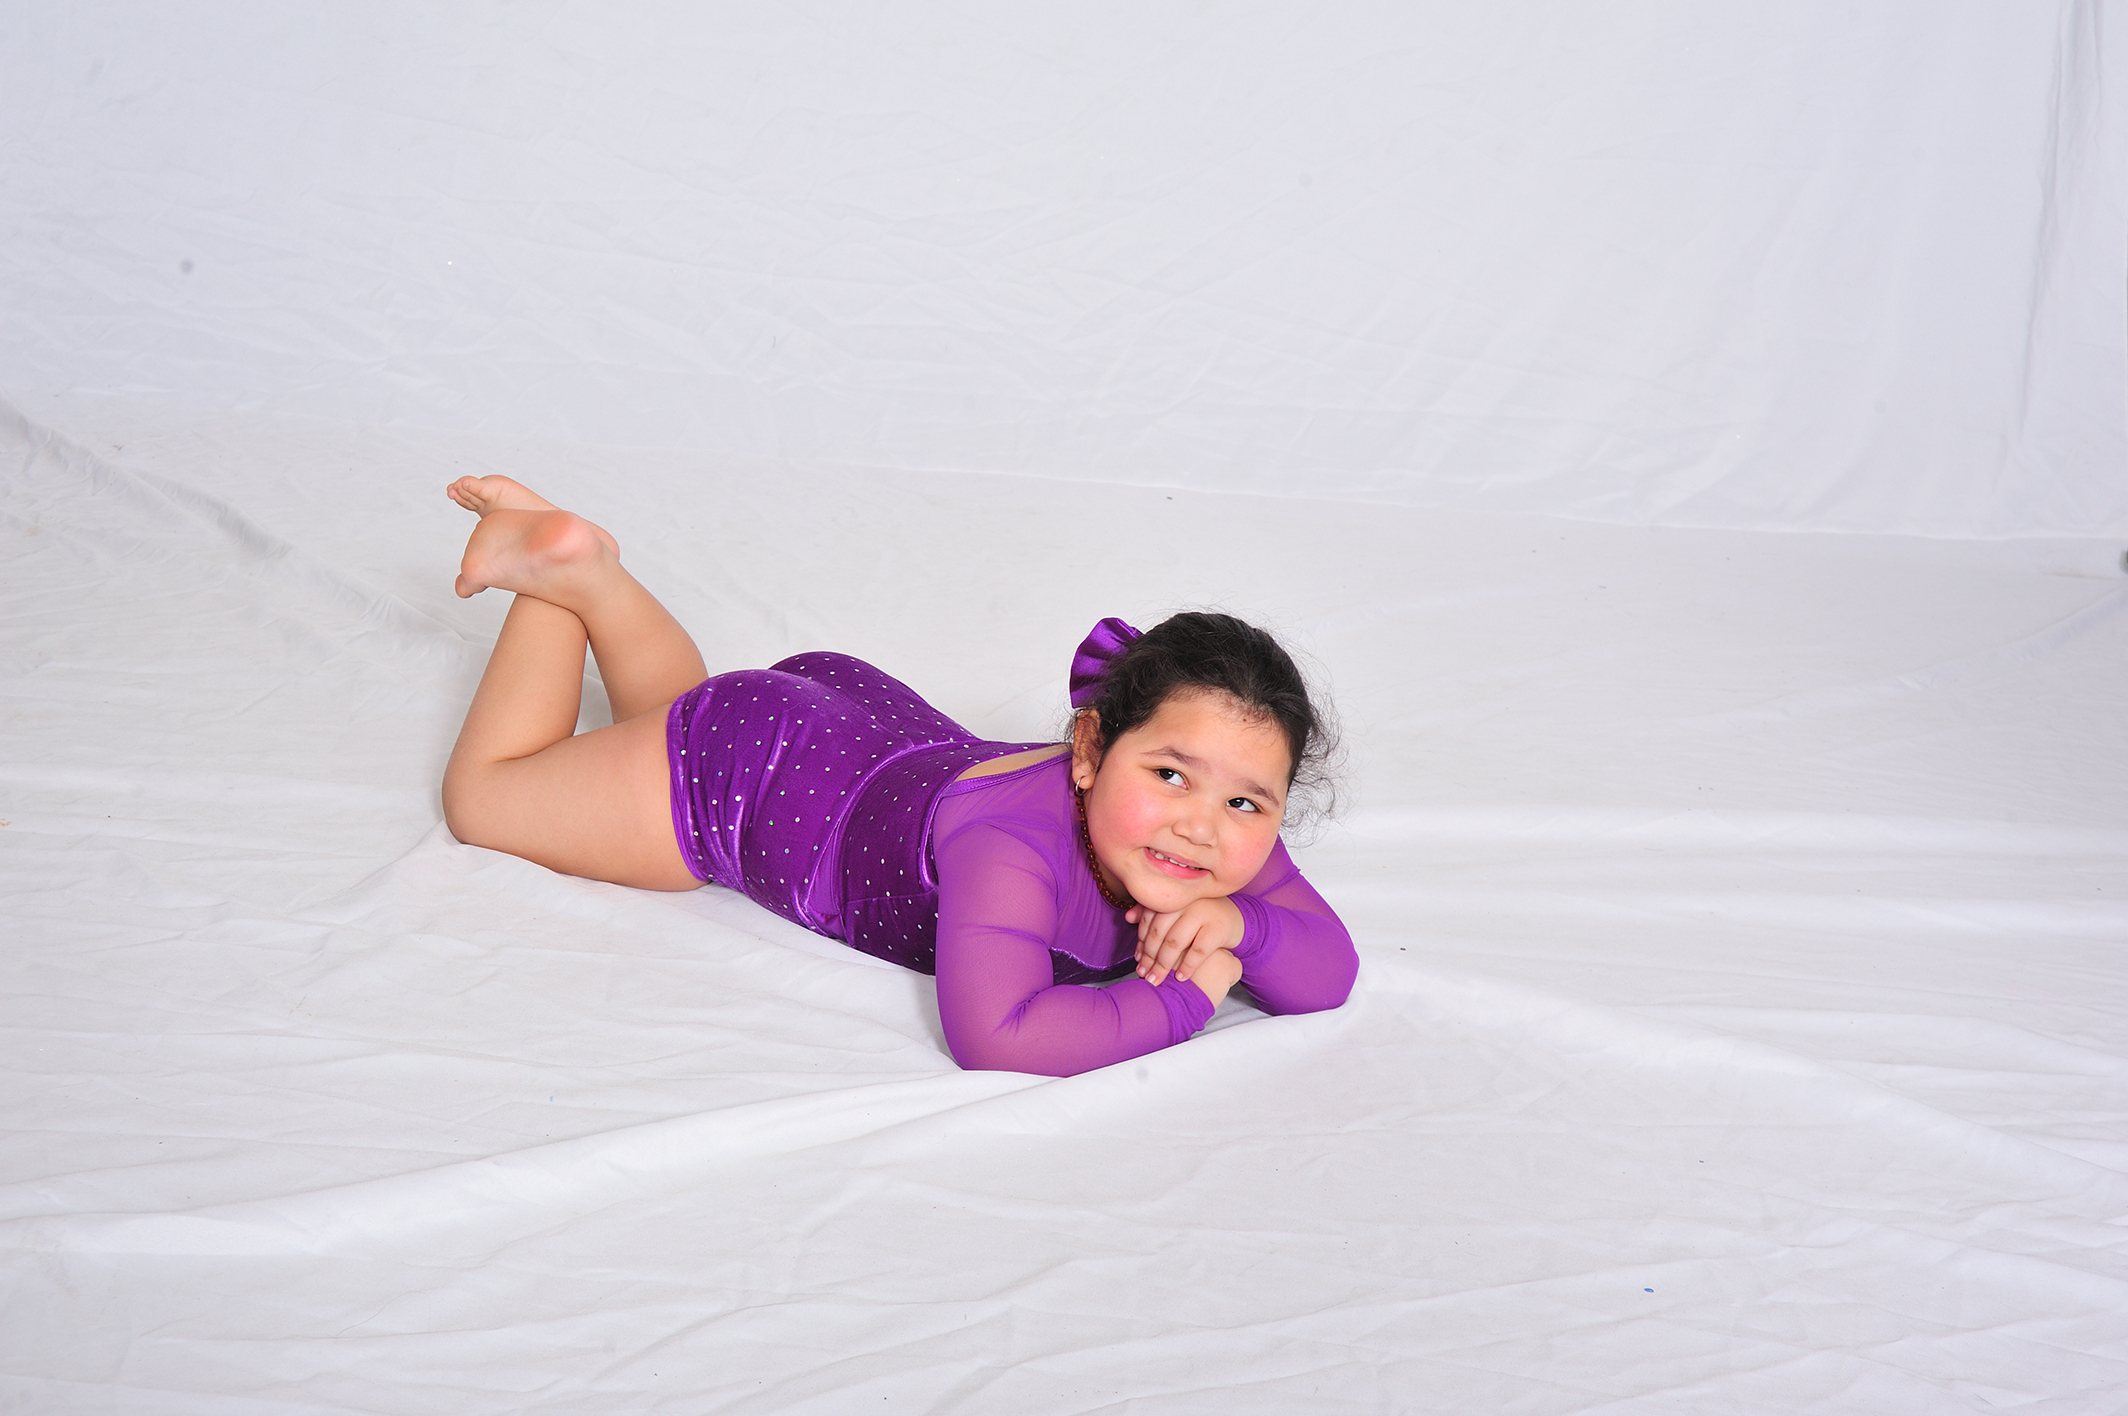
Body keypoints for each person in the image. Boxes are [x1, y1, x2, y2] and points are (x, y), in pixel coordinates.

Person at [439, 475, 1357, 1076]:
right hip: (759, 778)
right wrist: (1186, 995)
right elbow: (997, 1036)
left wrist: (1243, 925)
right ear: (1088, 750)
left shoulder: (1213, 848)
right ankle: (549, 582)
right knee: (488, 798)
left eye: (1247, 801)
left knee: (658, 724)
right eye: (1170, 775)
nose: (1202, 823)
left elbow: (1329, 972)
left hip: (860, 734)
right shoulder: (1011, 850)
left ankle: (592, 572)